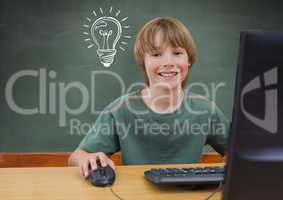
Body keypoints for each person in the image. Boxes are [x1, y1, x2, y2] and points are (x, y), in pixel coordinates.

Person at [68, 17, 229, 179]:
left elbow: (235, 152)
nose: (168, 62)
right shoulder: (120, 110)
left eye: (177, 53)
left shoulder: (206, 110)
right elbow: (77, 156)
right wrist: (87, 158)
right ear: (143, 62)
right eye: (156, 54)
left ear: (189, 60)